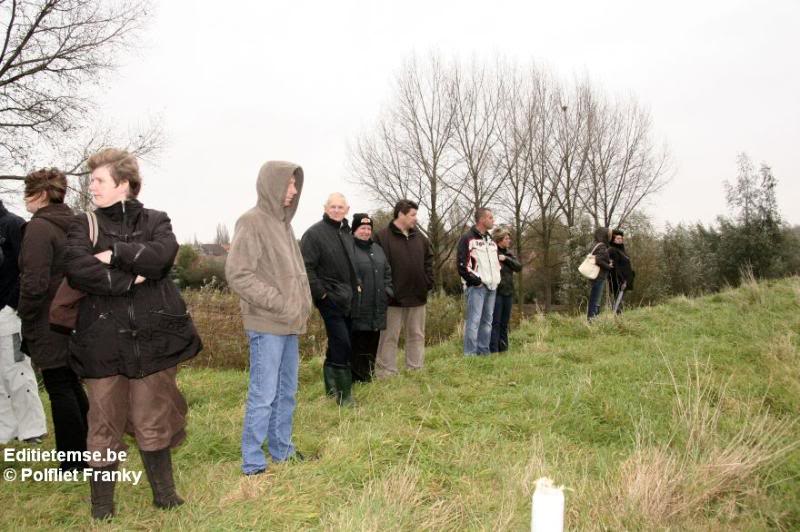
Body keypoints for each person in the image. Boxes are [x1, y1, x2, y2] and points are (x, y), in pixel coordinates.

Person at [64, 148, 202, 519]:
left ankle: (165, 495)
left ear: (124, 185)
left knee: (152, 418)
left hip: (153, 340)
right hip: (101, 343)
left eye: (98, 180)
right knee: (103, 424)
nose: (91, 185)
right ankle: (102, 508)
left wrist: (112, 254)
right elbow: (77, 270)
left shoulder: (157, 219)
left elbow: (161, 257)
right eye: (91, 180)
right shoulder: (82, 224)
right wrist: (132, 276)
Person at [226, 161, 312, 476]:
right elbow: (238, 274)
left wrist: (301, 305)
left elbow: (296, 275)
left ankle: (282, 450)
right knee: (263, 394)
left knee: (286, 391)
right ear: (272, 184)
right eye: (289, 184)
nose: (293, 190)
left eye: (295, 184)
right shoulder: (251, 222)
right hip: (266, 324)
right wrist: (279, 303)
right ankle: (252, 461)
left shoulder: (285, 225)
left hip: (290, 324)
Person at [18, 169, 88, 469]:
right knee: (71, 382)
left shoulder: (39, 229)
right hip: (75, 315)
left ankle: (73, 462)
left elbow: (34, 283)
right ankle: (88, 449)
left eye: (28, 192)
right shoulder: (77, 224)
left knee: (59, 386)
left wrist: (25, 314)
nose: (24, 200)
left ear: (42, 194)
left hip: (48, 318)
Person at [300, 193, 359, 406]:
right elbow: (306, 267)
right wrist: (322, 294)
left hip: (349, 298)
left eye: (340, 207)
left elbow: (351, 265)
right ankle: (345, 396)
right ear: (325, 208)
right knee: (342, 342)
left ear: (347, 209)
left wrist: (357, 286)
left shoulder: (346, 232)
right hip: (329, 298)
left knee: (339, 341)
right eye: (332, 206)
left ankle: (331, 388)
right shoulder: (313, 234)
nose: (336, 210)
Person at [0, 199, 47, 446]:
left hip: (9, 314)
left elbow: (27, 269)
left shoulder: (13, 225)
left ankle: (32, 429)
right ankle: (6, 430)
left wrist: (12, 303)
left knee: (17, 370)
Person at [373, 199, 433, 377]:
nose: (416, 218)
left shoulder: (421, 237)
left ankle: (415, 368)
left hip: (417, 296)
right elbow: (377, 265)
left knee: (416, 334)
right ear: (400, 214)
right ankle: (386, 372)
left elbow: (429, 261)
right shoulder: (381, 237)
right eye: (412, 215)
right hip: (393, 299)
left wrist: (427, 282)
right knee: (389, 337)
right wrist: (386, 289)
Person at [349, 213, 393, 382]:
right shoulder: (350, 249)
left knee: (372, 344)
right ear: (354, 230)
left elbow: (387, 273)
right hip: (359, 307)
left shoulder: (377, 249)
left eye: (368, 228)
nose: (366, 232)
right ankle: (356, 379)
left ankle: (368, 376)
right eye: (362, 228)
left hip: (377, 306)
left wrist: (388, 292)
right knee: (358, 344)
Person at [457, 208, 502, 356]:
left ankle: (484, 352)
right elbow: (462, 265)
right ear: (481, 219)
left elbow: (495, 263)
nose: (493, 220)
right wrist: (476, 282)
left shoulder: (491, 241)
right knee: (474, 322)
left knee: (487, 322)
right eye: (490, 217)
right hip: (477, 287)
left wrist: (496, 279)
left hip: (492, 286)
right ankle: (470, 354)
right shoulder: (467, 238)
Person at [489, 228, 522, 353]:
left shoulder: (508, 254)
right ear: (499, 240)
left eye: (509, 238)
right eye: (506, 239)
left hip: (508, 292)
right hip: (496, 293)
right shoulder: (492, 253)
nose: (509, 240)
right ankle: (493, 350)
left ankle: (504, 349)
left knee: (504, 323)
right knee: (495, 323)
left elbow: (518, 267)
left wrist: (506, 259)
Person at [587, 227, 613, 321]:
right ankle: (592, 320)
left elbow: (598, 258)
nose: (610, 236)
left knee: (595, 299)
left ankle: (594, 318)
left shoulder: (597, 244)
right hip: (598, 276)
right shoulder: (602, 246)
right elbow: (598, 260)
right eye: (609, 234)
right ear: (604, 235)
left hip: (596, 276)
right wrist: (608, 266)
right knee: (595, 299)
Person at [608, 229, 635, 314]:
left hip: (625, 279)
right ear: (613, 240)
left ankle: (619, 317)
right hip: (618, 280)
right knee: (618, 300)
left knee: (621, 300)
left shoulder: (622, 250)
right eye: (617, 239)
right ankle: (616, 318)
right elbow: (615, 267)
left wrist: (632, 274)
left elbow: (625, 264)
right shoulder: (612, 250)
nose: (620, 240)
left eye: (621, 238)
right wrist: (621, 279)